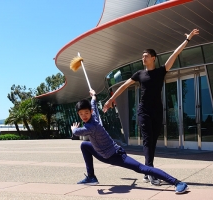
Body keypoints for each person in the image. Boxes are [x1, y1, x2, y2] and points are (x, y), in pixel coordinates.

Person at [102, 29, 199, 185]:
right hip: (144, 111)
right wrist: (111, 99)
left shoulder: (161, 71)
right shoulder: (140, 74)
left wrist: (187, 40)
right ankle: (151, 172)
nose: (143, 58)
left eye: (146, 56)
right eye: (142, 56)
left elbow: (175, 54)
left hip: (157, 112)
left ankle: (147, 172)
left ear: (153, 58)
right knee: (147, 140)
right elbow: (124, 86)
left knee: (153, 141)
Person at [71, 89, 188, 194]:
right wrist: (93, 97)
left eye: (86, 113)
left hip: (116, 155)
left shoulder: (92, 126)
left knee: (142, 168)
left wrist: (74, 129)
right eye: (81, 114)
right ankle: (91, 177)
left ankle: (178, 183)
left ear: (90, 112)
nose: (84, 116)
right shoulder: (94, 116)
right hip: (103, 154)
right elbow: (94, 106)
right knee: (84, 145)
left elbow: (77, 132)